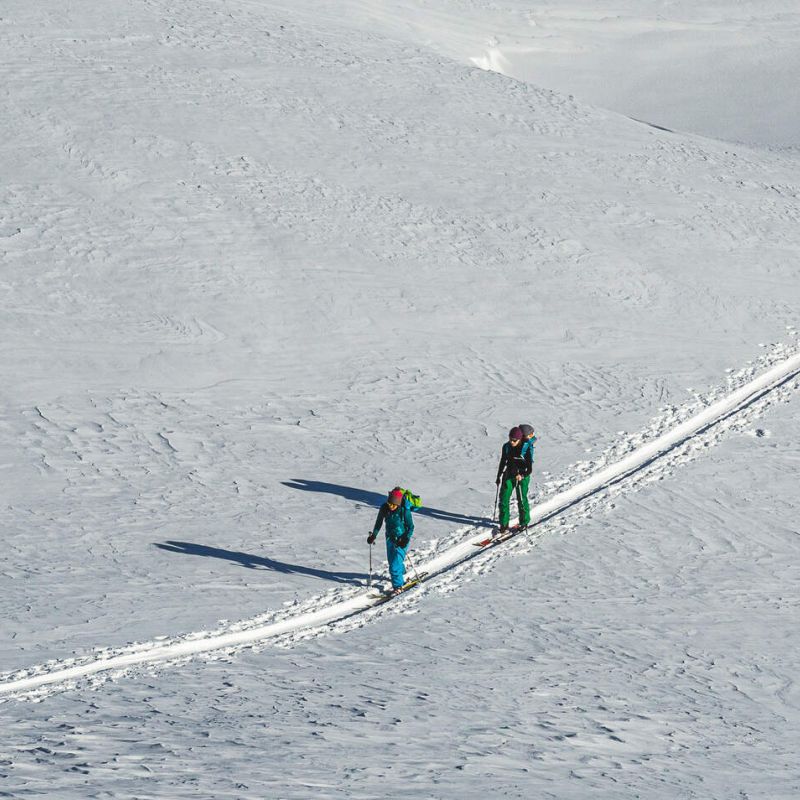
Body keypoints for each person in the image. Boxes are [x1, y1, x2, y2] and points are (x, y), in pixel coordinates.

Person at [367, 487, 415, 595]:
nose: (391, 506)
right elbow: (379, 522)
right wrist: (373, 535)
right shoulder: (384, 508)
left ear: (398, 504)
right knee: (393, 562)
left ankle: (398, 586)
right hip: (389, 538)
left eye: (393, 505)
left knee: (393, 566)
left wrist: (406, 538)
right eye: (389, 503)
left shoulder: (404, 510)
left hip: (402, 539)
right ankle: (401, 570)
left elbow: (410, 527)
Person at [495, 426, 533, 533]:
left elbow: (529, 468)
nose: (512, 442)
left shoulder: (525, 449)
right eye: (510, 439)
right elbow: (503, 461)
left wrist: (522, 475)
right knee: (503, 499)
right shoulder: (506, 447)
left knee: (521, 499)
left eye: (514, 440)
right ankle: (504, 524)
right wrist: (498, 476)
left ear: (520, 439)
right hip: (509, 474)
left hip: (521, 477)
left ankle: (524, 522)